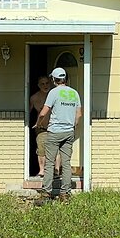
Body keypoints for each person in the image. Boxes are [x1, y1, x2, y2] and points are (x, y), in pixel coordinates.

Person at [33, 67, 82, 204]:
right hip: (68, 132)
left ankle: (46, 194)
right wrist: (73, 126)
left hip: (54, 132)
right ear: (65, 78)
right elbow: (78, 114)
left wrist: (38, 123)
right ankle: (65, 195)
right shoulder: (74, 93)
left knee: (49, 163)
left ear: (54, 79)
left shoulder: (54, 93)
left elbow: (43, 112)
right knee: (66, 164)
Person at [29, 76, 61, 178]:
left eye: (47, 83)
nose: (45, 85)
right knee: (41, 149)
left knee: (56, 150)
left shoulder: (55, 95)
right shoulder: (34, 98)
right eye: (42, 84)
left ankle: (56, 171)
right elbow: (28, 113)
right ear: (38, 85)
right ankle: (42, 171)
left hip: (54, 127)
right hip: (41, 128)